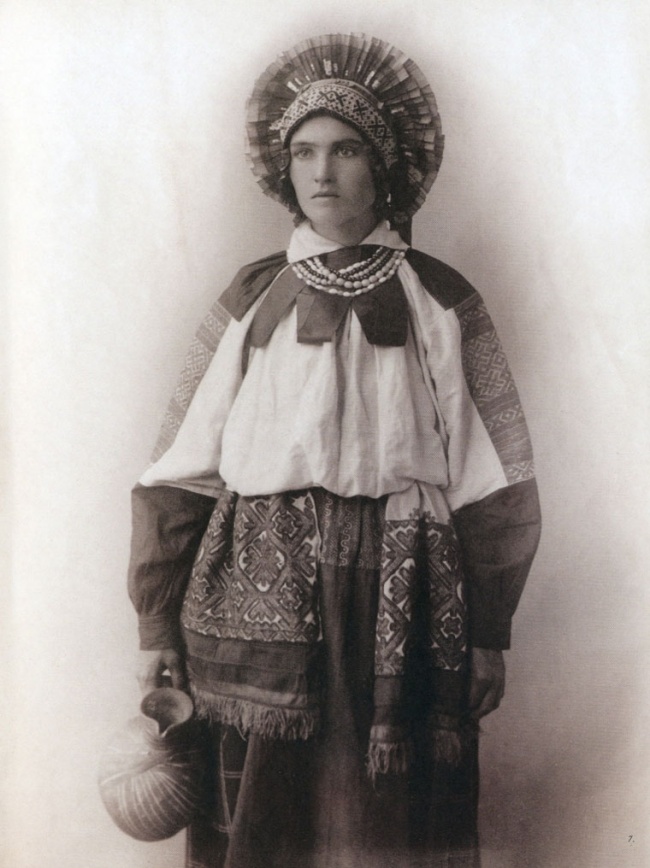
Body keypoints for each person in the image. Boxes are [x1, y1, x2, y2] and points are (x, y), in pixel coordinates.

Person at [128, 33, 541, 868]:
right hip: (256, 600)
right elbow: (181, 467)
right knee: (263, 828)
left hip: (404, 596)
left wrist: (489, 629)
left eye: (346, 150)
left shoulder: (442, 300)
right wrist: (155, 621)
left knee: (387, 827)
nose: (322, 173)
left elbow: (495, 474)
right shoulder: (251, 298)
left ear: (382, 166)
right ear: (285, 169)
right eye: (306, 152)